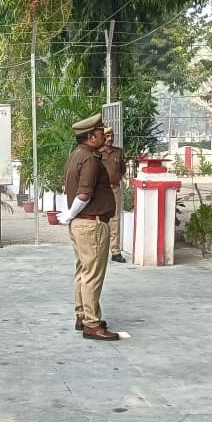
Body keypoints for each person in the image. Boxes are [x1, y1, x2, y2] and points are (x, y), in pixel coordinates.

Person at [57, 114, 120, 341]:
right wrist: (70, 215)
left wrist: (70, 217)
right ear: (91, 137)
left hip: (81, 224)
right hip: (91, 223)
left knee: (83, 272)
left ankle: (82, 315)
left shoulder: (77, 156)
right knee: (92, 275)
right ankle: (92, 325)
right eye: (101, 132)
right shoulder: (91, 160)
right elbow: (84, 194)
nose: (105, 134)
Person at [100, 127, 126, 263]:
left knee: (115, 219)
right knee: (100, 219)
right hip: (101, 191)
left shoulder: (118, 152)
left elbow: (122, 169)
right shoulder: (97, 153)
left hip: (115, 189)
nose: (110, 139)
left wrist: (115, 180)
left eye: (112, 136)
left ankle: (115, 252)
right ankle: (99, 250)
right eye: (107, 136)